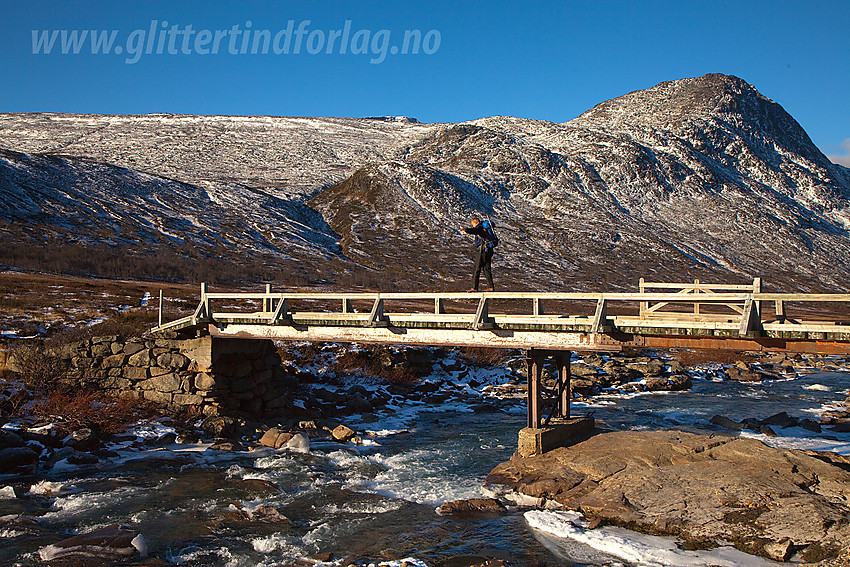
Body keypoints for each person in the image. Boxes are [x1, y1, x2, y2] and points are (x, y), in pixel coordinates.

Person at [462, 216, 495, 292]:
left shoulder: (479, 227)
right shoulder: (485, 228)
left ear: (475, 223)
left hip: (482, 250)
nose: (473, 226)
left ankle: (474, 287)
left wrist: (467, 230)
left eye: (473, 224)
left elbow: (475, 230)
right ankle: (491, 287)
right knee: (486, 268)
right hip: (489, 250)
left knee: (477, 268)